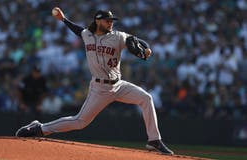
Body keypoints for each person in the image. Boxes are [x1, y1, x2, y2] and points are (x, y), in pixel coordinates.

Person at [15, 7, 174, 155]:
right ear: (98, 21)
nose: (111, 23)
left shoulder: (118, 36)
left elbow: (135, 40)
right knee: (79, 122)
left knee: (146, 98)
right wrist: (64, 20)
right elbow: (78, 30)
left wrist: (146, 48)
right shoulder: (87, 35)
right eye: (107, 20)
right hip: (99, 88)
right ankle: (41, 128)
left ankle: (154, 140)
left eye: (112, 21)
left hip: (118, 85)